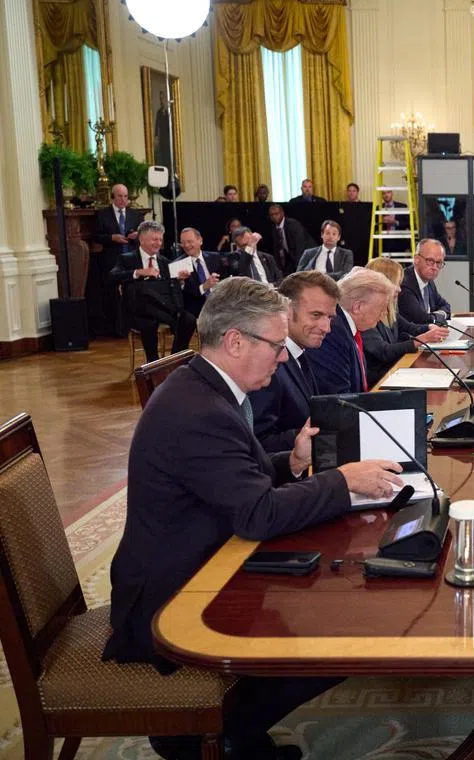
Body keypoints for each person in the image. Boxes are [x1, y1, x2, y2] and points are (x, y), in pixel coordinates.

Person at [102, 276, 404, 760]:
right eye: (276, 345)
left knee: (335, 599)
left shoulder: (205, 389)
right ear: (236, 340)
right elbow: (258, 514)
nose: (284, 358)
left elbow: (236, 478)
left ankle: (237, 733)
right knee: (341, 637)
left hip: (206, 555)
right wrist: (342, 480)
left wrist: (294, 462)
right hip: (173, 594)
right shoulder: (200, 410)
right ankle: (209, 733)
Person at [249, 271, 339, 453]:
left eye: (329, 318)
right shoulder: (269, 363)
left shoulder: (300, 351)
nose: (326, 328)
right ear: (287, 311)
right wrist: (321, 434)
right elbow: (258, 442)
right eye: (316, 315)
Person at [109, 220, 197, 363]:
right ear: (142, 239)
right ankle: (153, 362)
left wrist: (179, 280)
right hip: (139, 311)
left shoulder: (165, 262)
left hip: (164, 308)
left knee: (189, 319)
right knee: (146, 308)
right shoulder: (127, 259)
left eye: (160, 239)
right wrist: (138, 272)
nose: (158, 243)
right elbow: (112, 277)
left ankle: (175, 359)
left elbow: (173, 291)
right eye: (154, 239)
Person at [361, 258, 449, 386]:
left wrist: (430, 328)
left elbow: (409, 327)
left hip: (393, 374)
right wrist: (421, 339)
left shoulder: (390, 309)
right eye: (396, 284)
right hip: (379, 382)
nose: (399, 290)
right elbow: (384, 352)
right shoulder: (366, 314)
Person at [307, 267, 392, 394]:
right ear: (357, 307)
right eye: (382, 307)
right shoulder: (332, 333)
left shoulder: (346, 327)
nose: (385, 313)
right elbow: (339, 399)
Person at [92, 183, 145, 336]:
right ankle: (116, 329)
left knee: (134, 292)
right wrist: (111, 238)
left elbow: (144, 234)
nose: (123, 200)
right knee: (113, 295)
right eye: (120, 196)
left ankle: (134, 325)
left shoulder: (136, 215)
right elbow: (96, 236)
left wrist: (137, 236)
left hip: (132, 258)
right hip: (112, 259)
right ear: (113, 197)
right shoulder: (103, 214)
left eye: (125, 196)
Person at [398, 239, 452, 326]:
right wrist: (438, 317)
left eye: (439, 263)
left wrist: (435, 316)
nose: (434, 267)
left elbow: (446, 306)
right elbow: (421, 319)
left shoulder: (428, 281)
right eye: (430, 261)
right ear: (416, 259)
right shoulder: (404, 284)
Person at [174, 227, 225, 318]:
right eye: (183, 242)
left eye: (189, 241)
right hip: (198, 310)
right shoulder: (178, 264)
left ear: (200, 241)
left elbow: (225, 279)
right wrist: (204, 286)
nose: (186, 245)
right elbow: (185, 297)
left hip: (221, 304)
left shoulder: (215, 257)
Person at [268, 203, 313, 275]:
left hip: (307, 256)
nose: (274, 216)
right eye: (271, 215)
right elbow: (277, 249)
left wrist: (299, 268)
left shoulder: (293, 224)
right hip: (291, 257)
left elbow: (300, 246)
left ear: (282, 213)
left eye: (276, 214)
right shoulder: (274, 228)